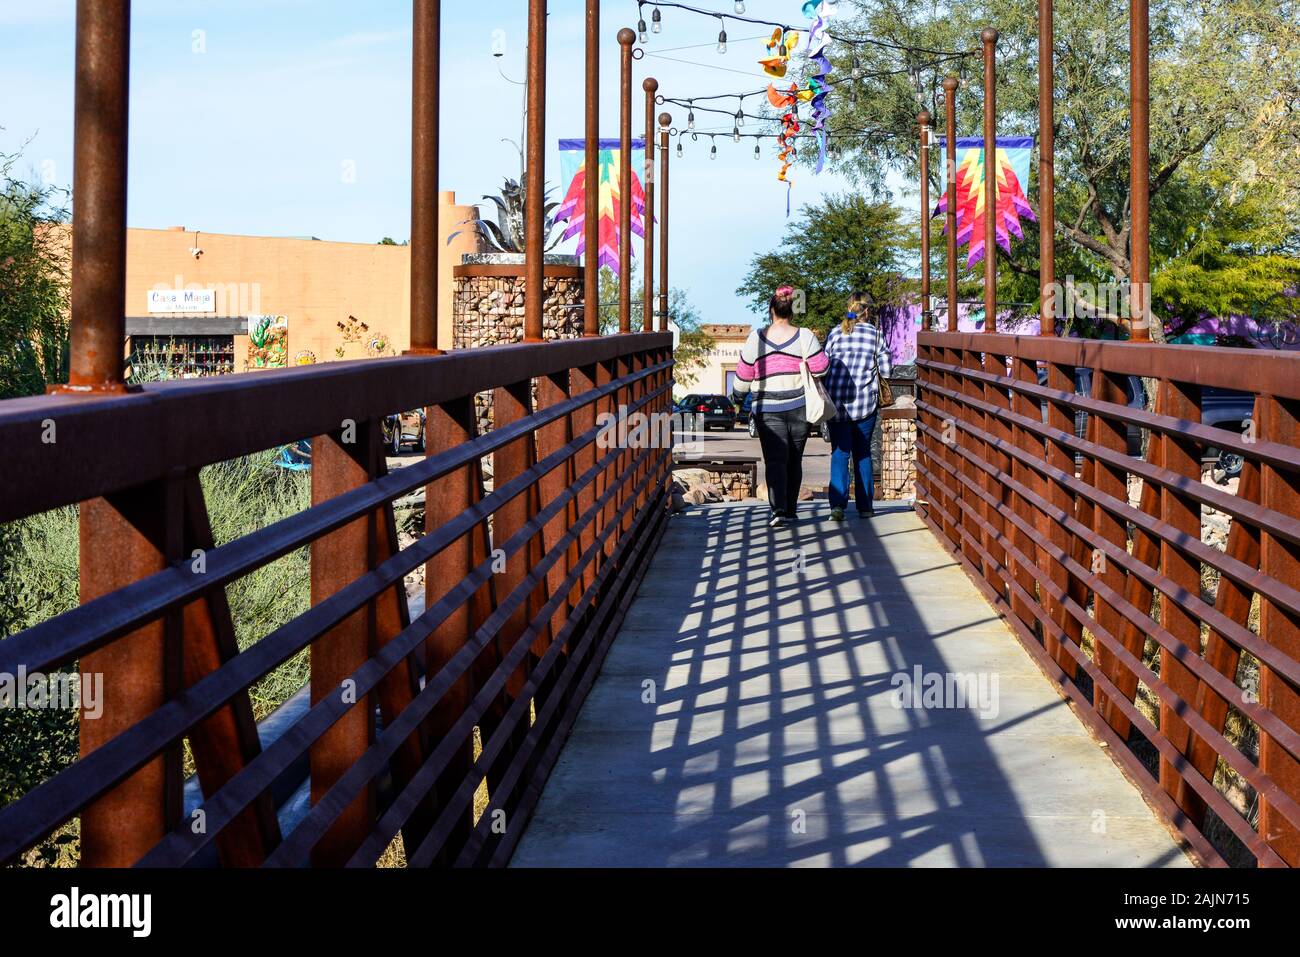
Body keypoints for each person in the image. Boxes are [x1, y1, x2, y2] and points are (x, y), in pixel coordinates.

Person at [732, 286, 829, 527]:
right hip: (799, 406)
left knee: (775, 460)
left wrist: (736, 397)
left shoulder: (757, 338)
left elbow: (743, 376)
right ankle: (791, 509)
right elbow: (822, 368)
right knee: (794, 460)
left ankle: (778, 510)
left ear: (771, 310)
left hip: (768, 409)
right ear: (791, 311)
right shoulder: (805, 336)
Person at [823, 292, 892, 521]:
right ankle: (865, 507)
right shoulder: (875, 335)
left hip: (837, 405)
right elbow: (887, 370)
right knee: (862, 454)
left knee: (840, 453)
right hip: (865, 404)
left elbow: (822, 366)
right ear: (867, 312)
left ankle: (838, 506)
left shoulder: (834, 333)